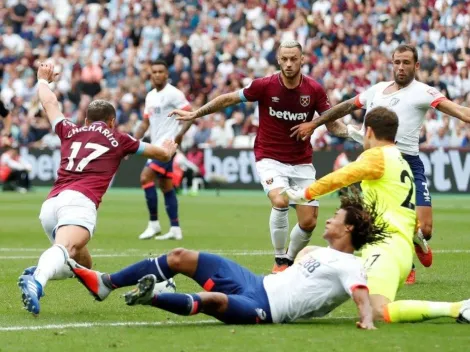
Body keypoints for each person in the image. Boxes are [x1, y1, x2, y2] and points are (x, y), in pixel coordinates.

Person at [67, 189, 385, 329]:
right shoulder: (318, 251)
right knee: (179, 256)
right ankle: (107, 283)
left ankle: (151, 297)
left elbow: (359, 293)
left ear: (349, 228)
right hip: (255, 282)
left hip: (268, 310)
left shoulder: (351, 265)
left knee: (213, 300)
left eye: (336, 217)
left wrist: (367, 320)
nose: (328, 220)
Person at [291, 44, 470, 284]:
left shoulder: (424, 92)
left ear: (416, 66)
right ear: (392, 64)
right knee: (377, 220)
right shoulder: (376, 90)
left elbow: (460, 111)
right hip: (377, 161)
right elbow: (345, 106)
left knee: (425, 229)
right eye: (397, 62)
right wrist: (315, 123)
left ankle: (417, 240)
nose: (401, 67)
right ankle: (407, 264)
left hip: (408, 163)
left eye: (406, 62)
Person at [18, 62, 178, 316]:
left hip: (51, 205)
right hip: (79, 202)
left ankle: (74, 275)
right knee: (66, 250)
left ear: (85, 119)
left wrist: (43, 80)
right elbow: (160, 154)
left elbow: (49, 104)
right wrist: (169, 148)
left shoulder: (70, 129)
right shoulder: (120, 139)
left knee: (82, 262)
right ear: (112, 121)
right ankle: (38, 278)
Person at [283, 107, 470, 324]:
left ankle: (458, 307)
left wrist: (305, 193)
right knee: (307, 253)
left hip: (386, 251)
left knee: (379, 311)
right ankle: (284, 298)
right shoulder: (400, 161)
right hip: (390, 250)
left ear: (369, 131)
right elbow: (409, 215)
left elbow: (343, 176)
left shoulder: (377, 156)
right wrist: (418, 241)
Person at [170, 40, 343, 273]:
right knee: (280, 200)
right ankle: (280, 260)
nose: (289, 63)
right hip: (269, 157)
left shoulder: (314, 89)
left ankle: (290, 259)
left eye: (294, 59)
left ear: (303, 60)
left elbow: (333, 125)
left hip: (302, 162)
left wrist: (359, 135)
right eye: (285, 59)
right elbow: (229, 98)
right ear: (278, 60)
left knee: (309, 222)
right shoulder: (265, 85)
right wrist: (195, 114)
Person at [135, 60, 193, 241]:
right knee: (166, 186)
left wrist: (179, 134)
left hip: (166, 145)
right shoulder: (150, 96)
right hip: (155, 144)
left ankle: (154, 224)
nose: (158, 74)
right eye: (154, 72)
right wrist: (133, 141)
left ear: (167, 74)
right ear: (150, 75)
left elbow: (190, 115)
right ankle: (175, 228)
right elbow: (145, 122)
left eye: (161, 71)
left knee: (145, 177)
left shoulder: (174, 94)